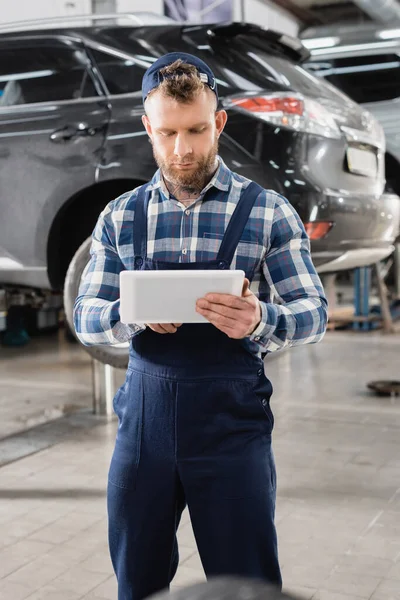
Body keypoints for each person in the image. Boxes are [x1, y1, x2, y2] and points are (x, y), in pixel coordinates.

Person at [74, 52, 328, 600]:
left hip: (231, 428)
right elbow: (86, 316)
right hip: (143, 427)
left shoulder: (268, 212)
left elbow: (313, 314)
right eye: (166, 133)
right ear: (147, 127)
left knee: (248, 581)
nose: (182, 149)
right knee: (137, 580)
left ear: (219, 121)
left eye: (195, 130)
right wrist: (126, 314)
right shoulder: (121, 216)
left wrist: (263, 318)